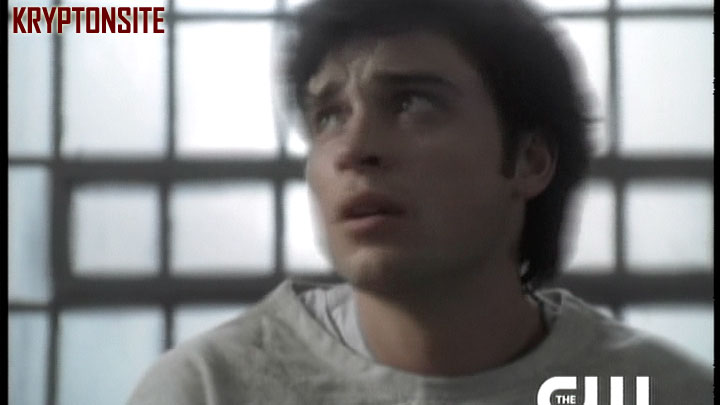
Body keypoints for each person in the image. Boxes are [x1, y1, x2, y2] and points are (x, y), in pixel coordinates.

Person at [128, 0, 712, 403]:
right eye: (329, 116)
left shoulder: (662, 393)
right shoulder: (211, 390)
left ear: (530, 161)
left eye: (412, 103)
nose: (354, 149)